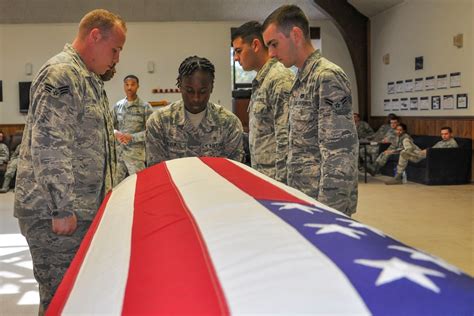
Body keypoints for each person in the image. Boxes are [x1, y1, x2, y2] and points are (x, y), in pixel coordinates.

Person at [13, 9, 126, 314]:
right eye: (115, 49)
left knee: (76, 297)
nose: (116, 59)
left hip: (78, 211)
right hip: (56, 216)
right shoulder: (62, 74)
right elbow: (50, 144)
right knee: (61, 300)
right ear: (95, 36)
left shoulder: (88, 78)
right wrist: (60, 207)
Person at [262, 5, 358, 216]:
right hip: (301, 197)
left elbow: (340, 152)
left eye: (274, 44)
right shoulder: (300, 80)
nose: (271, 53)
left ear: (295, 34)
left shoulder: (326, 77)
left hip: (321, 203)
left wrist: (330, 213)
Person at [146, 56, 244, 166]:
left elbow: (234, 171)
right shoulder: (159, 122)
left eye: (202, 91)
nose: (196, 98)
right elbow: (156, 171)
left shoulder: (229, 123)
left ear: (211, 87)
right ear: (179, 85)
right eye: (189, 91)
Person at [232, 21, 294, 183]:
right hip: (263, 174)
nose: (236, 58)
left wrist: (281, 185)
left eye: (239, 51)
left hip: (276, 178)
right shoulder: (263, 80)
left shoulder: (279, 78)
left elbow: (286, 137)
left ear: (255, 45)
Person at [113, 75, 153, 183]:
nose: (129, 87)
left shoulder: (145, 107)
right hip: (119, 157)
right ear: (124, 86)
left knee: (140, 185)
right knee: (115, 189)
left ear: (138, 86)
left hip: (136, 157)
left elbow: (151, 132)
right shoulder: (118, 106)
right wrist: (115, 133)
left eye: (132, 84)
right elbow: (110, 126)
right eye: (127, 85)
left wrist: (132, 137)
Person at [385, 126, 459, 185]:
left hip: (426, 156)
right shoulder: (441, 142)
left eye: (446, 134)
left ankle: (397, 177)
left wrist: (427, 151)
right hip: (423, 153)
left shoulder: (452, 143)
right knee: (406, 140)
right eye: (442, 134)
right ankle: (407, 149)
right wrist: (425, 150)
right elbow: (433, 148)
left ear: (451, 134)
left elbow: (446, 153)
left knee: (403, 153)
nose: (444, 136)